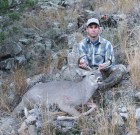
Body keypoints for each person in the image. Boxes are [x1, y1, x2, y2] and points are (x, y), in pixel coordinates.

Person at [78, 18, 127, 90]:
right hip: (88, 72)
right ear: (87, 30)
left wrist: (105, 65)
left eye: (95, 27)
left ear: (99, 29)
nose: (93, 29)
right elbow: (82, 59)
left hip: (102, 72)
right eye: (91, 27)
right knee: (71, 71)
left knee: (121, 68)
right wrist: (83, 63)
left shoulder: (107, 44)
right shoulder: (82, 44)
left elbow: (110, 61)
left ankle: (103, 85)